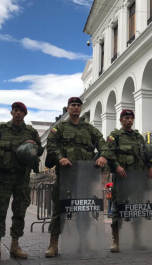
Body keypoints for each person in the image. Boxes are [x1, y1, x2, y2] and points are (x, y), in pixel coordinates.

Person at [44, 97, 109, 258]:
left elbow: (102, 142)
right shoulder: (59, 128)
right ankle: (53, 244)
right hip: (65, 175)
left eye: (78, 106)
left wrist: (103, 156)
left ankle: (84, 241)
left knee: (83, 208)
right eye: (73, 105)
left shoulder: (88, 128)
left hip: (84, 176)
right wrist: (60, 157)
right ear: (67, 108)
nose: (76, 108)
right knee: (59, 209)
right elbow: (51, 144)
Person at [0, 102, 44, 261]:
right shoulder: (0, 129)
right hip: (2, 177)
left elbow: (41, 150)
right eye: (15, 110)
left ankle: (15, 246)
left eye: (21, 111)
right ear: (11, 113)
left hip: (22, 177)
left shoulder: (30, 131)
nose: (18, 113)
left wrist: (35, 145)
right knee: (0, 212)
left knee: (20, 211)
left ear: (25, 114)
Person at [106, 109, 152, 252]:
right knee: (119, 208)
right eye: (126, 118)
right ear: (121, 120)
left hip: (138, 179)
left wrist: (151, 167)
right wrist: (116, 166)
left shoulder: (138, 137)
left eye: (131, 118)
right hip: (122, 179)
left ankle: (137, 238)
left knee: (137, 209)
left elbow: (147, 153)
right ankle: (116, 240)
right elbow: (109, 152)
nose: (129, 120)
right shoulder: (115, 135)